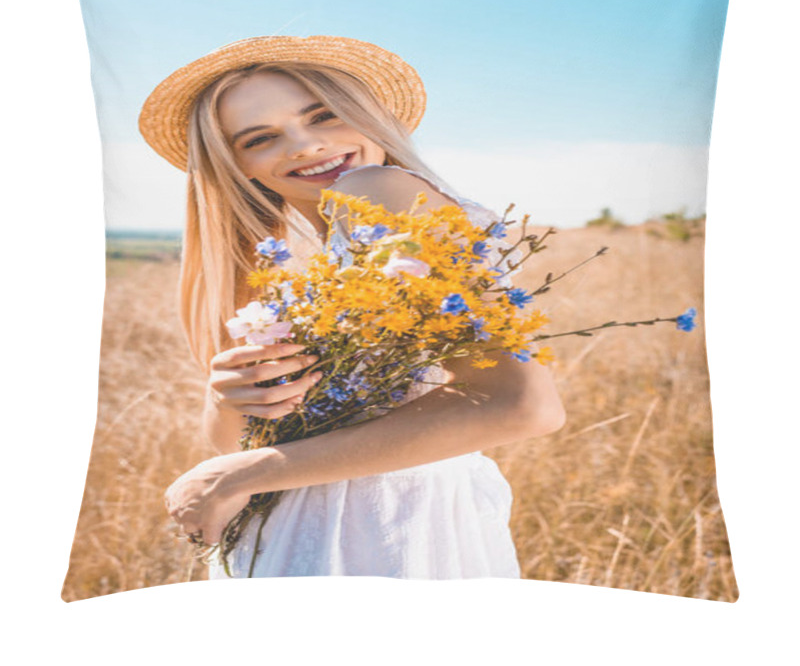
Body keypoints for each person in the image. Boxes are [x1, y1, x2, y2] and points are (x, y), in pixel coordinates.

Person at [140, 35, 566, 579]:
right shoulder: (296, 261)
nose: (304, 145)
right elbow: (240, 441)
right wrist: (228, 399)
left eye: (324, 115)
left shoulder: (379, 189)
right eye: (261, 138)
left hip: (391, 532)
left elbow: (523, 405)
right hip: (306, 528)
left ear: (370, 116)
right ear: (239, 166)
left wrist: (236, 477)